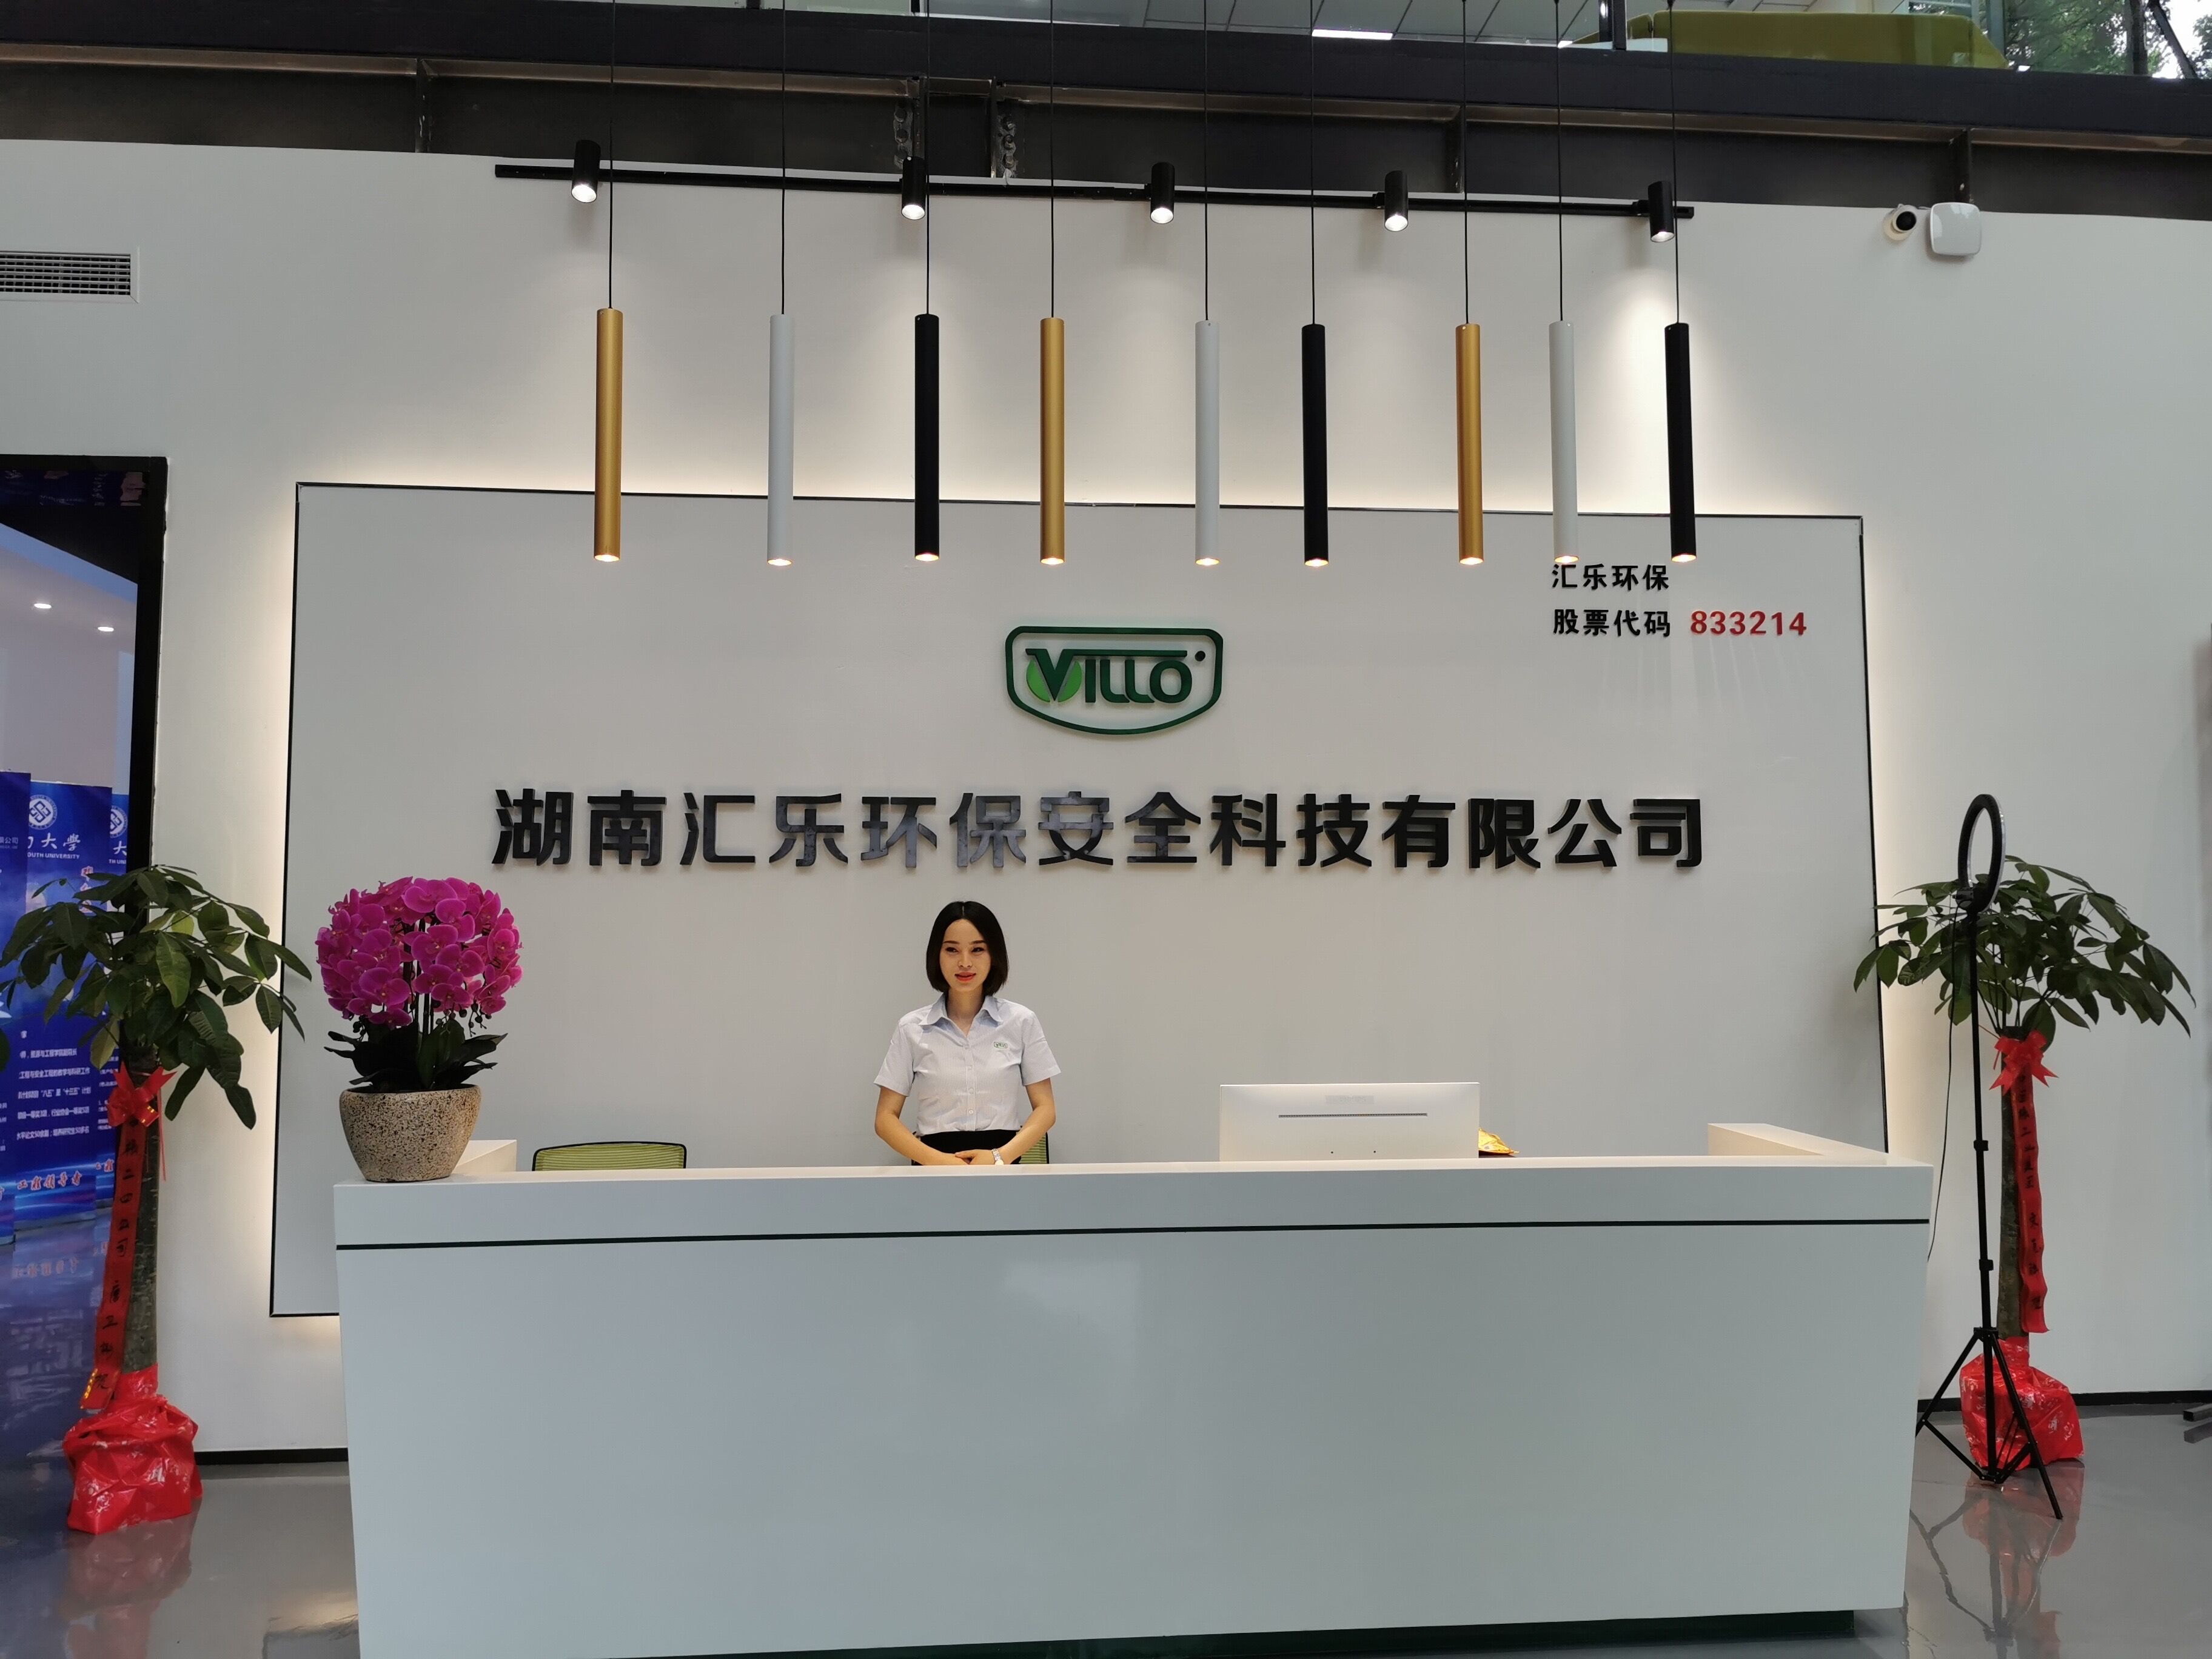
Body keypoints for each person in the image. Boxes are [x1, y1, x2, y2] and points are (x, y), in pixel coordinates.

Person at [874, 899, 1058, 1167]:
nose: (964, 962)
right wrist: (941, 1162)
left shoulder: (1021, 1022)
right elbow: (885, 1118)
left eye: (977, 950)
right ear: (936, 955)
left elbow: (1046, 1109)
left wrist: (998, 1157)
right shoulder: (912, 1028)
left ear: (993, 955)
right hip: (933, 1168)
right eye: (952, 950)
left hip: (1000, 1167)